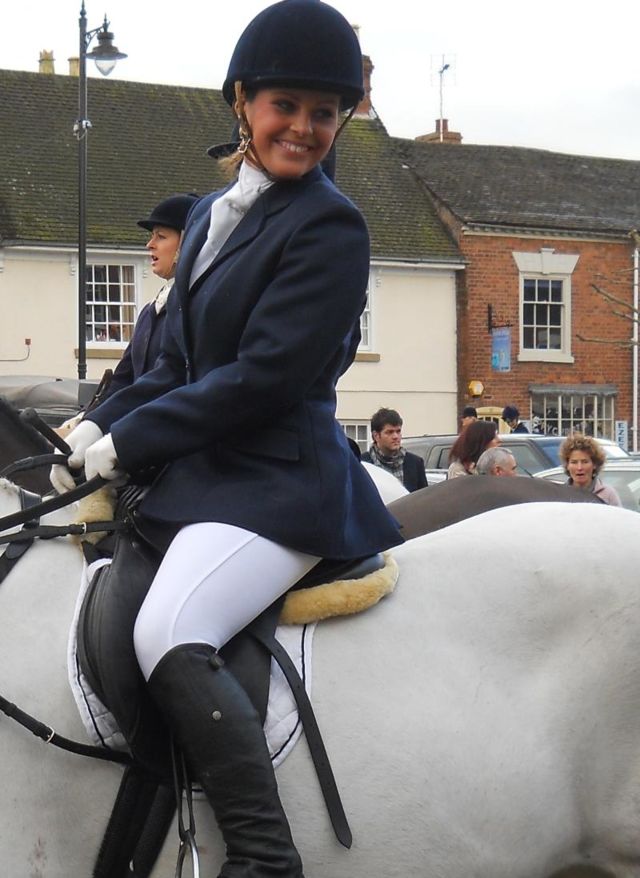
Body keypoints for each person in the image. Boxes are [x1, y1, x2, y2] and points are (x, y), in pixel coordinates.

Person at [50, 3, 403, 875]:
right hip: (208, 477)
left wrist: (134, 441)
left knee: (171, 629)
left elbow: (263, 377)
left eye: (325, 112)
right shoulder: (211, 214)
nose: (305, 127)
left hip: (281, 486)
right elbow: (176, 361)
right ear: (243, 101)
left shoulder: (332, 226)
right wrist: (100, 423)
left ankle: (263, 854)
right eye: (286, 105)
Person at [103, 193, 199, 399]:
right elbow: (123, 379)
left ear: (188, 241)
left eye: (161, 237)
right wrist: (90, 415)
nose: (150, 244)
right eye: (152, 236)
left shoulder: (195, 308)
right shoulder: (149, 312)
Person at [361, 407, 428, 492]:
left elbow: (424, 497)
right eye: (389, 432)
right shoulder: (362, 464)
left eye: (398, 431)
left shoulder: (415, 463)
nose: (395, 436)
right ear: (376, 436)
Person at [559, 433, 622, 506]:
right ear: (567, 465)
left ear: (594, 464)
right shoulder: (560, 494)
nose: (579, 468)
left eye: (585, 462)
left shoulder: (608, 494)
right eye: (574, 462)